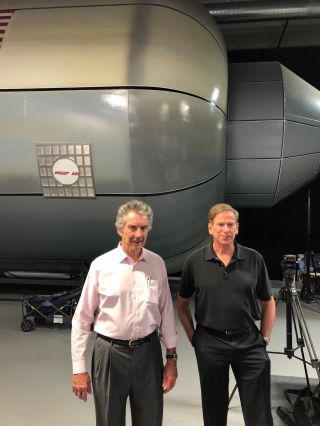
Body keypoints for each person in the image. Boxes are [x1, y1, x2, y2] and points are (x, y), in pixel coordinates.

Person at [71, 199, 178, 426]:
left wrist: (171, 359)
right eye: (132, 227)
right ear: (120, 228)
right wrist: (79, 369)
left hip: (148, 354)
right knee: (109, 420)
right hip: (109, 353)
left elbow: (166, 312)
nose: (138, 234)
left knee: (151, 420)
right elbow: (81, 320)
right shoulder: (101, 265)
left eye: (143, 228)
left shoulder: (156, 264)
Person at [177, 203, 276, 426]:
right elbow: (182, 303)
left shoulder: (254, 259)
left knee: (259, 410)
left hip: (249, 341)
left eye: (230, 224)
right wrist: (194, 337)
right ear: (210, 228)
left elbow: (268, 302)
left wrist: (264, 337)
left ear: (237, 228)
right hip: (210, 342)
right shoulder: (195, 261)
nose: (225, 229)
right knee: (213, 409)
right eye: (220, 224)